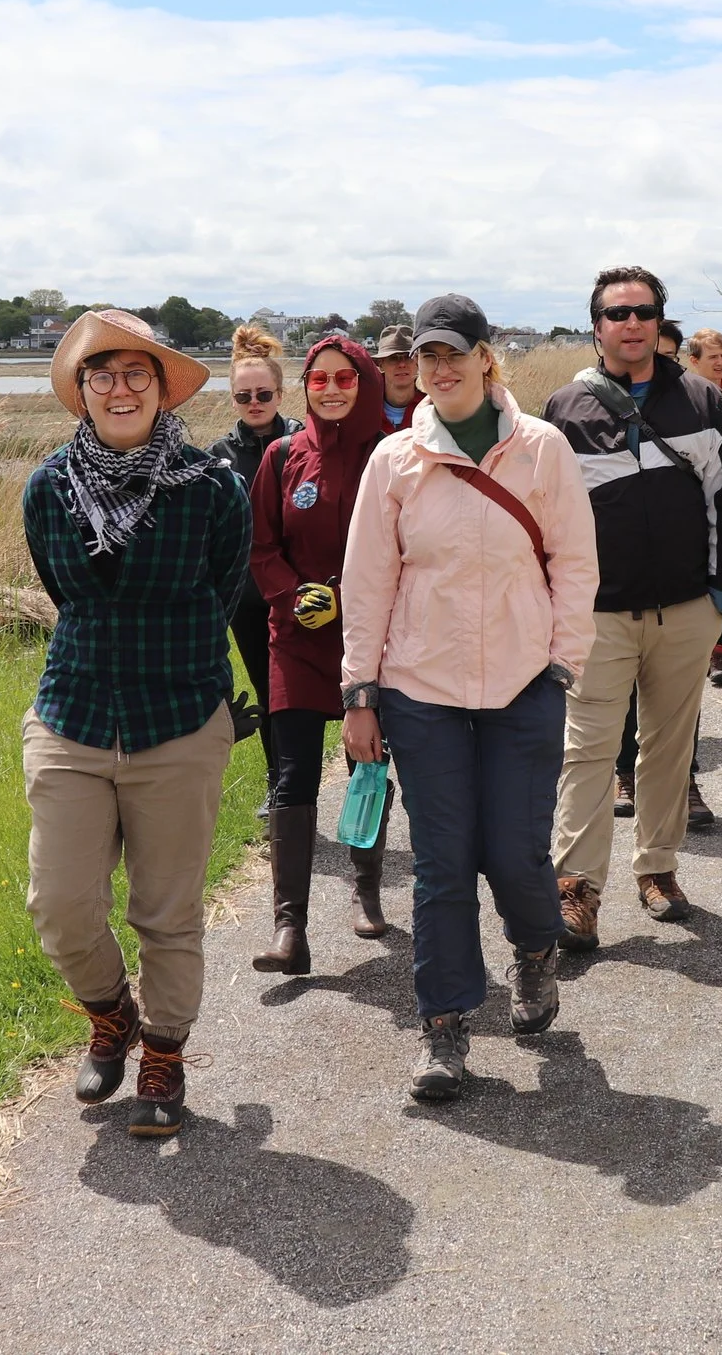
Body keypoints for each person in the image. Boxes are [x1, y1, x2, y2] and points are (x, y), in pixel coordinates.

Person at [340, 294, 599, 1101]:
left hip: (525, 685)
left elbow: (575, 562)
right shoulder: (394, 461)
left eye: (455, 352)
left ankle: (534, 949)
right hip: (423, 688)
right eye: (427, 356)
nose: (441, 368)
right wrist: (360, 690)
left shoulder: (542, 448)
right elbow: (367, 580)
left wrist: (562, 663)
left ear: (487, 357)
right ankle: (445, 1023)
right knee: (444, 861)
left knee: (515, 852)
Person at [22, 310, 249, 1139]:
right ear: (82, 391)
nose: (119, 389)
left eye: (135, 374)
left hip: (179, 719)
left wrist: (191, 680)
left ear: (161, 389)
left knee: (167, 910)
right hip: (73, 714)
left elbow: (224, 592)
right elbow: (66, 594)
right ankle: (110, 1011)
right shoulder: (49, 488)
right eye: (102, 375)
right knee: (58, 902)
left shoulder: (212, 487)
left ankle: (162, 1052)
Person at [545, 268, 722, 944]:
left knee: (668, 746)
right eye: (617, 312)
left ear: (660, 321)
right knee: (587, 750)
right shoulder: (564, 409)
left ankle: (657, 869)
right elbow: (548, 521)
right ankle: (576, 889)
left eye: (644, 311)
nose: (631, 322)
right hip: (598, 616)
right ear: (595, 326)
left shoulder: (702, 399)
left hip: (686, 608)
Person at [247, 332, 393, 974]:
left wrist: (345, 597)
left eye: (344, 378)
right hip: (296, 641)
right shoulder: (281, 455)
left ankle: (367, 890)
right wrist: (291, 595)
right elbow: (260, 547)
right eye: (319, 379)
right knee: (292, 774)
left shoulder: (391, 453)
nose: (331, 390)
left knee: (369, 764)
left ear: (365, 382)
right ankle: (290, 929)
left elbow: (406, 548)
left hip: (373, 640)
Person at [610, 323, 717, 831]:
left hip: (681, 588)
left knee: (677, 707)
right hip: (615, 593)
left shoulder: (698, 405)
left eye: (671, 356)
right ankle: (624, 774)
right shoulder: (589, 406)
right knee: (621, 698)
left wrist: (721, 594)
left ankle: (685, 781)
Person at [208, 324, 297, 716]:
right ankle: (276, 759)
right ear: (233, 400)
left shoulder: (304, 444)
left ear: (280, 394)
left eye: (264, 394)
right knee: (268, 691)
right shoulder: (217, 457)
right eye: (244, 396)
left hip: (299, 587)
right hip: (247, 597)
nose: (255, 403)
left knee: (311, 692)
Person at [682, 328, 722, 687]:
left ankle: (720, 652)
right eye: (712, 357)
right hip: (696, 500)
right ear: (694, 361)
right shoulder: (685, 400)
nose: (720, 363)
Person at [372, 324, 423, 431]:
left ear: (418, 362)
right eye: (393, 358)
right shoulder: (365, 407)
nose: (402, 364)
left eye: (408, 357)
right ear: (381, 364)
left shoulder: (433, 405)